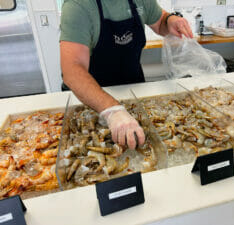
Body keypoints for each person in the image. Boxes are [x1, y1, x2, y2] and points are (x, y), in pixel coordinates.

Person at [60, 0, 193, 150]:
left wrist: (170, 20)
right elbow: (72, 70)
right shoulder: (78, 6)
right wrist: (112, 110)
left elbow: (160, 22)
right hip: (92, 102)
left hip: (132, 90)